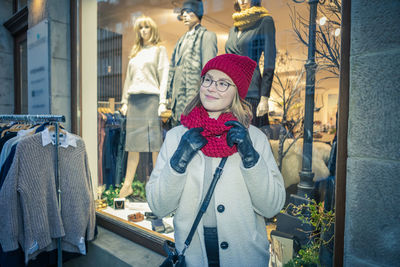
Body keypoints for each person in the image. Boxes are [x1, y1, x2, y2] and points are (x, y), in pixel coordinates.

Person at [146, 54, 285, 266]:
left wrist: (250, 158)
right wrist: (179, 160)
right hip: (192, 255)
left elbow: (272, 207)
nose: (211, 88)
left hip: (244, 254)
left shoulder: (254, 138)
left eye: (222, 83)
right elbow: (158, 206)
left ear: (236, 92)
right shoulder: (177, 137)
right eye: (208, 79)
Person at [119, 15, 169, 198]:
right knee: (133, 145)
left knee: (154, 144)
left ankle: (157, 186)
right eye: (141, 28)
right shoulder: (135, 54)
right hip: (134, 101)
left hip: (151, 100)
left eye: (147, 27)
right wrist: (124, 101)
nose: (144, 31)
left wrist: (162, 102)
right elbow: (128, 79)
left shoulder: (159, 50)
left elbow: (164, 78)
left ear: (153, 29)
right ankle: (127, 185)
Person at [225, 0, 277, 127]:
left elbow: (269, 62)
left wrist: (265, 97)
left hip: (251, 91)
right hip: (231, 91)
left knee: (249, 139)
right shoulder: (233, 29)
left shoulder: (264, 22)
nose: (242, 1)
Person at [167, 0, 218, 127]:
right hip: (178, 102)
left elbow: (209, 71)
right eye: (183, 12)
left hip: (195, 99)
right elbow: (173, 69)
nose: (185, 15)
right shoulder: (181, 40)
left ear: (198, 13)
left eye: (189, 12)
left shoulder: (207, 36)